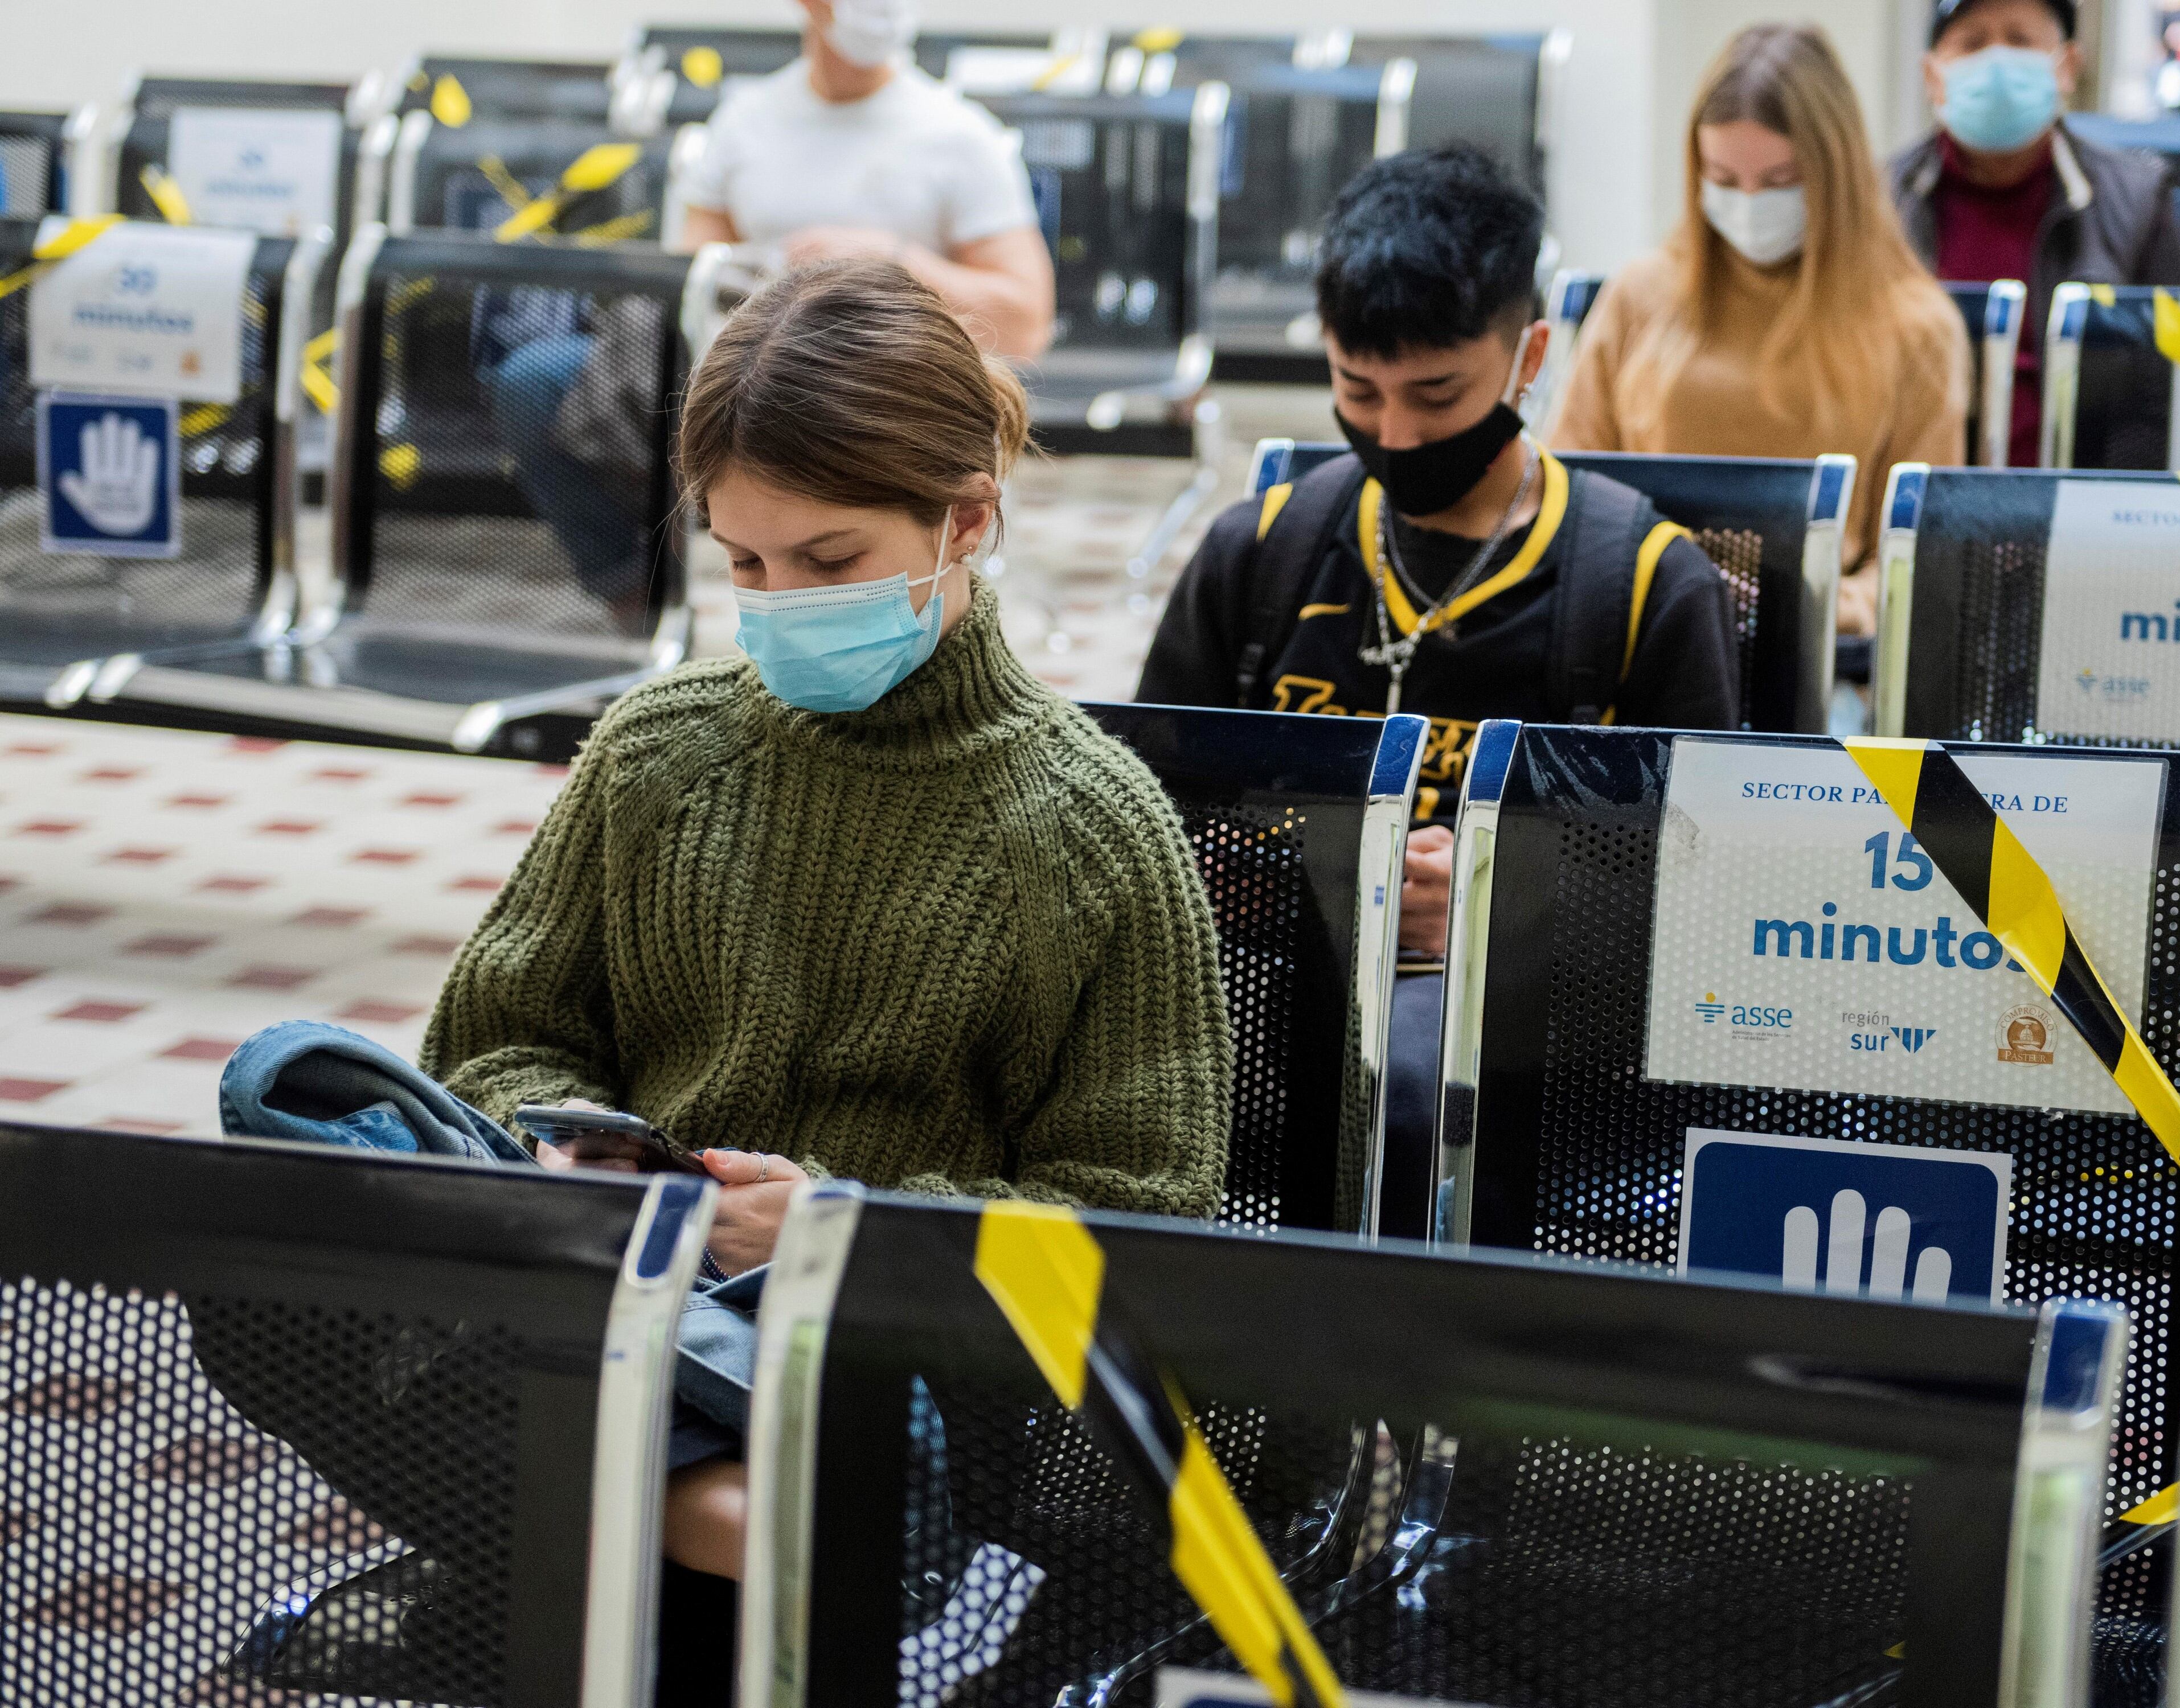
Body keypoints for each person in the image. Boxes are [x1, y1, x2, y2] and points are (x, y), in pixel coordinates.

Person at [224, 261, 1234, 1586]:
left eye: (829, 560)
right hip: (628, 1299)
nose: (780, 602)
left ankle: (673, 1509)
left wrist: (838, 1227)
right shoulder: (660, 750)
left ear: (965, 519)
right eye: (745, 561)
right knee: (257, 1286)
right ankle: (734, 1527)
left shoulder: (1092, 832)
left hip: (893, 1347)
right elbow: (496, 1043)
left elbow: (1135, 1227)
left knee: (574, 1388)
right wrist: (581, 1156)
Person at [1136, 143, 1742, 1241]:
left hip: (1526, 1039)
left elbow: (1713, 905)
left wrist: (1500, 907)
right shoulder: (1259, 554)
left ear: (1530, 356)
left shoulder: (1647, 586)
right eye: (1356, 391)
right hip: (1266, 1002)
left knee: (1403, 1093)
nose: (1397, 436)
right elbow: (1148, 823)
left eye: (1437, 393)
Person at [1551, 24, 1969, 637]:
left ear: (1836, 174)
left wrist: (1836, 607)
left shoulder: (1915, 326)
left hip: (1819, 652)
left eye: (1779, 182)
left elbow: (1921, 557)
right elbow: (1567, 492)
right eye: (1722, 180)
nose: (1748, 204)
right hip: (1636, 633)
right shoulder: (1641, 295)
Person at [1892, 0, 2180, 469]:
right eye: (1972, 43)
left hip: (2082, 507)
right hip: (1918, 500)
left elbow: (2170, 394)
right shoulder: (1882, 204)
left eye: (2020, 40)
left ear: (2067, 66)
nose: (1997, 63)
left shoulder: (2138, 199)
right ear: (1933, 77)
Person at [675, 0, 1056, 357]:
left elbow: (1025, 327)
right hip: (764, 405)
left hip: (899, 407)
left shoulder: (963, 136)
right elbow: (690, 293)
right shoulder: (740, 124)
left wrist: (894, 265)